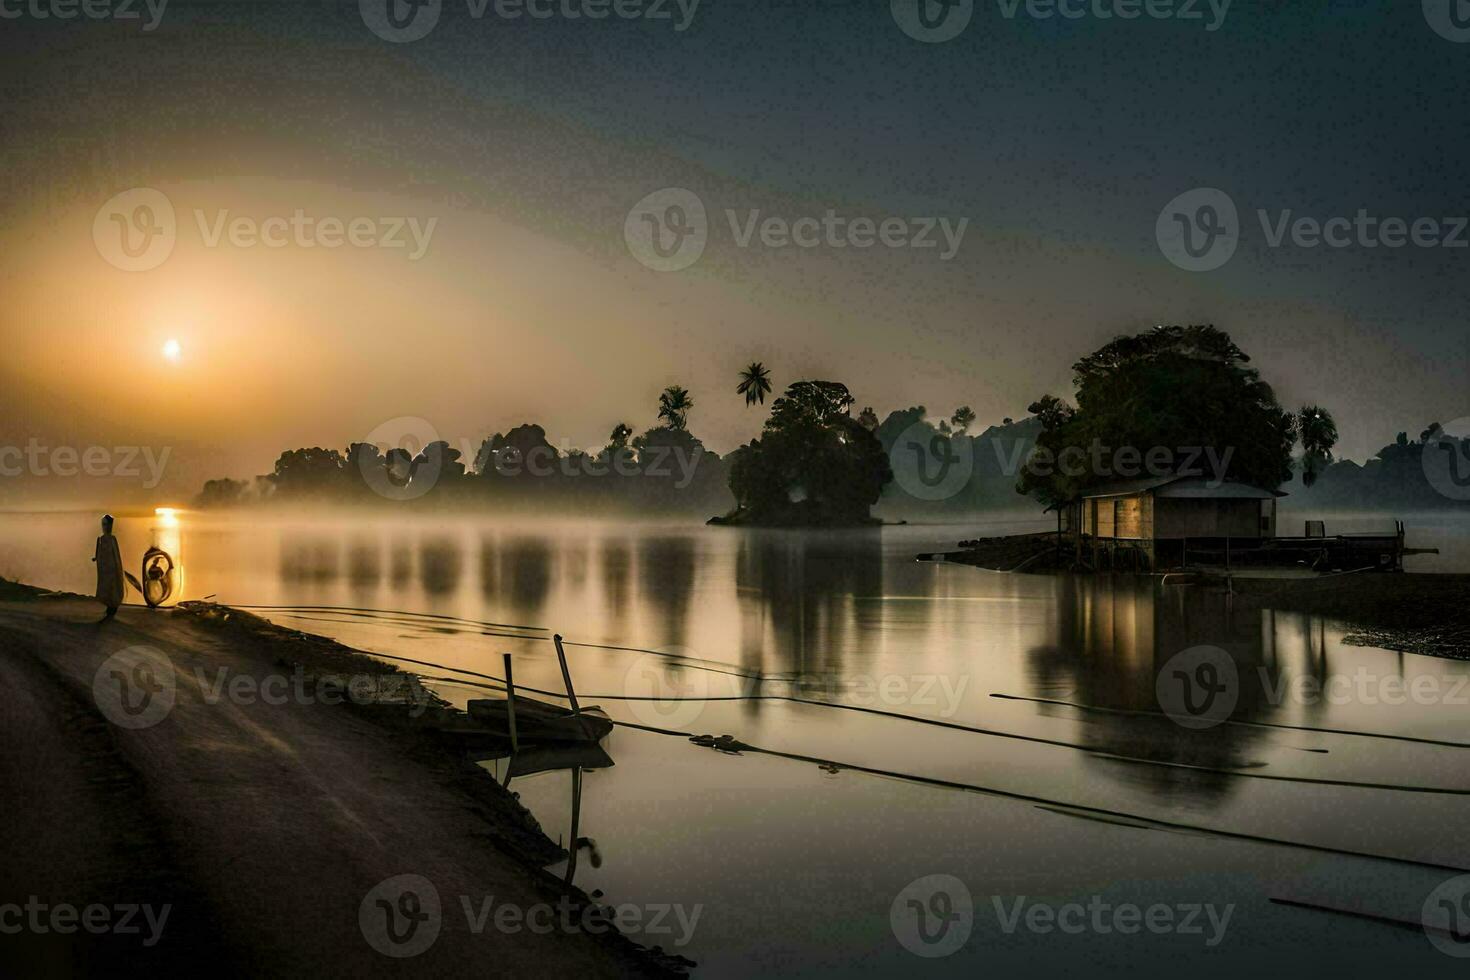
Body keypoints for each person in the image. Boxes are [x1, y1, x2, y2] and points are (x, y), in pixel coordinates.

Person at [92, 514, 125, 621]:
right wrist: (96, 558)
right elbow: (98, 551)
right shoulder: (101, 539)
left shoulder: (112, 539)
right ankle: (108, 605)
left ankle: (112, 606)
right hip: (104, 567)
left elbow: (116, 554)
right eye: (103, 524)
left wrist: (117, 567)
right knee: (105, 586)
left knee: (112, 586)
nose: (104, 527)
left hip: (111, 567)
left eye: (106, 524)